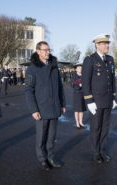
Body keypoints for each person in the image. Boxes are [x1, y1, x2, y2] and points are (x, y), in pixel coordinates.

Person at [25, 41, 66, 171]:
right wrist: (34, 110)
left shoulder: (54, 67)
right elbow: (28, 91)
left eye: (48, 50)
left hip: (54, 107)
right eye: (45, 50)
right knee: (41, 136)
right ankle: (42, 159)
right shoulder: (32, 69)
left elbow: (60, 87)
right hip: (41, 109)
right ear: (38, 51)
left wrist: (62, 104)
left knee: (52, 136)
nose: (48, 52)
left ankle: (51, 157)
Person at [82, 34, 117, 164]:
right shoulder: (90, 60)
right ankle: (96, 152)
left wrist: (113, 97)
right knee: (96, 127)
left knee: (105, 127)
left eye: (107, 43)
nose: (107, 45)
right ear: (97, 45)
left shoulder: (110, 59)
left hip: (107, 100)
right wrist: (89, 101)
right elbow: (85, 82)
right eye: (104, 43)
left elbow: (112, 80)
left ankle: (102, 150)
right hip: (96, 101)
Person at [71, 64, 86, 129]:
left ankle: (81, 122)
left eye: (81, 68)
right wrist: (79, 85)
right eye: (79, 68)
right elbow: (72, 85)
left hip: (83, 94)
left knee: (82, 109)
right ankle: (77, 122)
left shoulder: (84, 75)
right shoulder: (74, 76)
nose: (80, 69)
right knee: (77, 109)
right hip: (77, 94)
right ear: (76, 69)